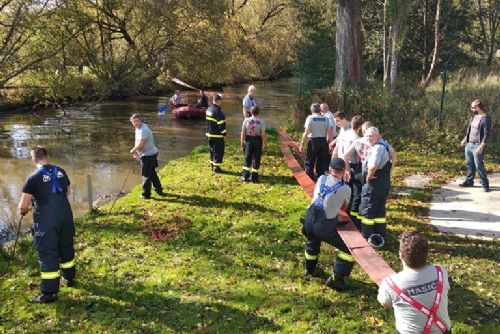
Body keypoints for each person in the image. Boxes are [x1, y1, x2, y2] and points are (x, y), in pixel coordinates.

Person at [18, 147, 76, 303]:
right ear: (47, 156)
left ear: (33, 160)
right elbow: (67, 191)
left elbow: (23, 205)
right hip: (65, 215)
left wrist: (25, 210)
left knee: (48, 252)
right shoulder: (61, 171)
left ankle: (49, 293)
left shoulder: (33, 177)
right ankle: (69, 278)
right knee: (66, 246)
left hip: (47, 219)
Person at [378, 231, 451, 334]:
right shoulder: (441, 272)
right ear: (427, 254)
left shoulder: (390, 284)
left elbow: (384, 302)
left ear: (400, 255)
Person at [302, 158, 355, 291]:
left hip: (308, 218)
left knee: (312, 241)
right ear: (343, 172)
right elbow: (344, 208)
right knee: (348, 250)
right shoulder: (346, 189)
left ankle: (309, 269)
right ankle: (337, 279)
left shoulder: (321, 179)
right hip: (323, 225)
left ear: (330, 169)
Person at [359, 127, 396, 247]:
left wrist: (369, 176)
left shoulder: (376, 148)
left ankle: (366, 235)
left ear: (378, 136)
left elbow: (373, 165)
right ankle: (380, 233)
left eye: (372, 136)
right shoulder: (385, 144)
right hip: (384, 182)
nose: (369, 138)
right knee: (380, 208)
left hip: (374, 183)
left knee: (368, 208)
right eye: (368, 136)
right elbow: (394, 156)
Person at [342, 121, 373, 229]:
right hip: (368, 170)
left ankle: (353, 220)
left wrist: (347, 170)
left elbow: (346, 155)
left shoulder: (358, 141)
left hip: (358, 169)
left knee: (356, 196)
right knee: (366, 197)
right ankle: (362, 223)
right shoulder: (373, 143)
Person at [459, 99, 492, 192]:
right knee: (469, 164)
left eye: (473, 107)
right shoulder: (473, 117)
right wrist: (464, 140)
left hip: (478, 145)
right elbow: (470, 131)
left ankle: (485, 184)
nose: (471, 109)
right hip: (469, 144)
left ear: (478, 107)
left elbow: (486, 134)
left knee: (479, 166)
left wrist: (481, 147)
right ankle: (469, 181)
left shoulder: (486, 118)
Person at [130, 114, 164, 199]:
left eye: (137, 121)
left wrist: (133, 150)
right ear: (132, 123)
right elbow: (138, 141)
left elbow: (141, 144)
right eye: (134, 122)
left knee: (146, 175)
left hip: (149, 155)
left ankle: (146, 194)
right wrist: (137, 152)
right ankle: (159, 190)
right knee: (151, 173)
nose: (135, 123)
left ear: (140, 120)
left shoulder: (143, 130)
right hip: (148, 153)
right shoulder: (137, 128)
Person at [299, 103, 333, 180]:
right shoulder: (325, 119)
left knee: (310, 161)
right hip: (323, 141)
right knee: (321, 161)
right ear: (320, 110)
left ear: (312, 110)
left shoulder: (310, 118)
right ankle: (320, 178)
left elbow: (306, 132)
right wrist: (331, 144)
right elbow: (329, 132)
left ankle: (309, 177)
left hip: (313, 141)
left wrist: (301, 144)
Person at [240, 106, 268, 183]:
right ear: (258, 113)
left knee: (247, 157)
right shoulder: (261, 121)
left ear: (251, 112)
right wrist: (265, 144)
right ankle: (254, 178)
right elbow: (263, 134)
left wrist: (242, 142)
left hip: (249, 140)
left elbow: (243, 132)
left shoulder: (246, 120)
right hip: (257, 140)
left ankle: (245, 176)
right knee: (256, 158)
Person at [206, 94, 227, 173]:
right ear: (219, 101)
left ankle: (212, 165)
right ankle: (216, 168)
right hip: (217, 135)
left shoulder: (208, 109)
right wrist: (224, 134)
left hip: (209, 134)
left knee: (212, 150)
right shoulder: (218, 111)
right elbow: (221, 125)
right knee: (218, 151)